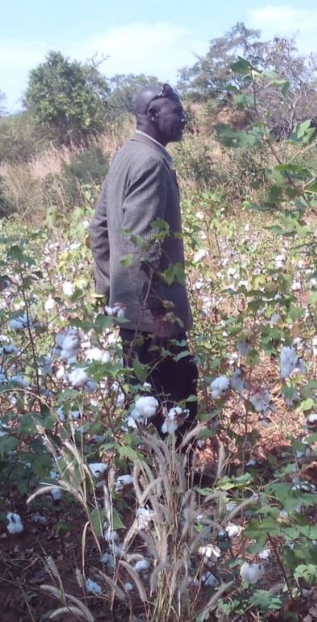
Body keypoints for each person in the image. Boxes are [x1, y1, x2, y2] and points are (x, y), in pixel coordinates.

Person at [90, 83, 198, 446]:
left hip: (132, 313)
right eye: (176, 110)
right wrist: (155, 312)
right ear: (153, 114)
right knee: (178, 407)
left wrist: (115, 296)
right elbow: (143, 245)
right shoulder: (150, 163)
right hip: (155, 319)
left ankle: (158, 489)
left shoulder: (125, 155)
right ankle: (176, 490)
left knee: (145, 405)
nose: (183, 117)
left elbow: (100, 229)